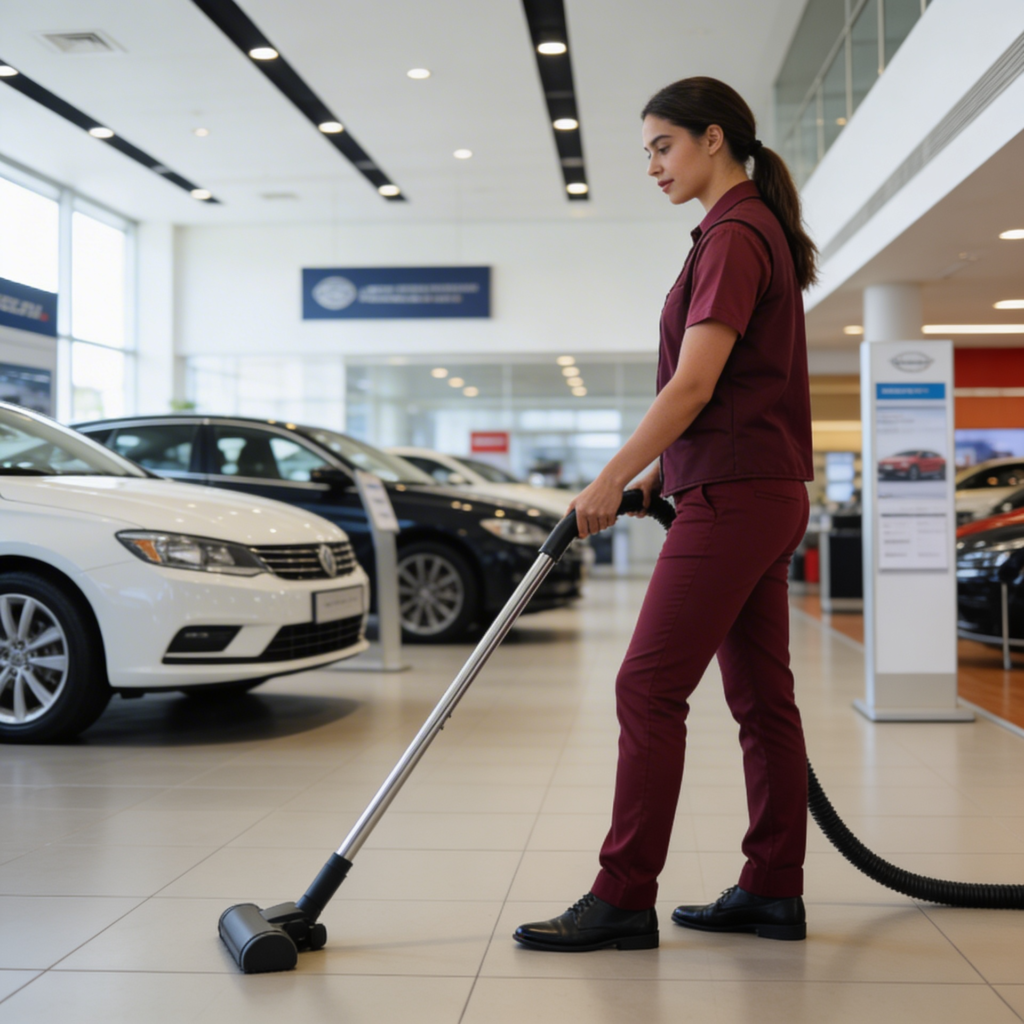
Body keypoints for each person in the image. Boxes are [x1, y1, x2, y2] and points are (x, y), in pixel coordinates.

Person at [513, 77, 817, 952]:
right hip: (754, 491)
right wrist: (661, 479)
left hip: (734, 501)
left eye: (661, 145)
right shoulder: (746, 229)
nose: (651, 164)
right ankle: (772, 888)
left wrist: (614, 476)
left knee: (648, 686)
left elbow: (695, 382)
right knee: (764, 701)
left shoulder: (732, 234)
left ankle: (621, 896)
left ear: (711, 138)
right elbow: (728, 396)